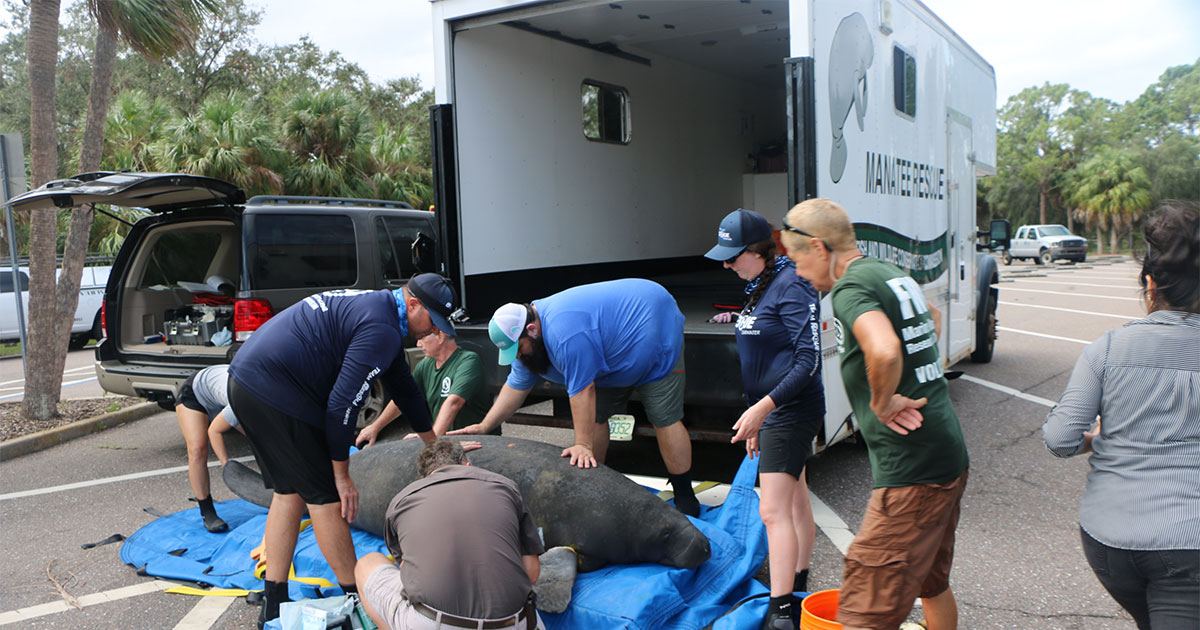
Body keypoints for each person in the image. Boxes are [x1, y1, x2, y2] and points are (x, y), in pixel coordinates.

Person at [228, 274, 458, 628]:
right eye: (431, 322)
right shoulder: (381, 328)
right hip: (275, 389)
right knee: (326, 498)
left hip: (247, 380)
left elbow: (406, 391)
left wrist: (438, 449)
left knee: (289, 491)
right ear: (413, 305)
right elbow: (341, 407)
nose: (430, 333)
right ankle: (358, 599)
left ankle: (273, 601)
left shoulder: (383, 313)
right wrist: (341, 475)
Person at [780, 199, 968, 630]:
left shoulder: (849, 289)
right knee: (931, 583)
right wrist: (917, 380)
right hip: (946, 452)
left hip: (913, 471)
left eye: (797, 258)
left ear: (819, 247)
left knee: (866, 606)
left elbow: (884, 349)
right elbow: (932, 318)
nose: (798, 271)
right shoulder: (886, 271)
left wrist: (883, 401)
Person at [1043, 201, 1199, 630]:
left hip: (1111, 541)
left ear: (1150, 285)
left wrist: (1095, 439)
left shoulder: (1107, 348)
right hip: (1190, 548)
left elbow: (1060, 438)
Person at [450, 278, 700, 516]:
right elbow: (515, 387)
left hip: (653, 329)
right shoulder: (526, 344)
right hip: (609, 354)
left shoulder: (565, 332)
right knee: (596, 419)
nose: (518, 356)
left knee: (663, 418)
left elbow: (582, 391)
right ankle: (595, 485)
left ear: (532, 330)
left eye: (519, 349)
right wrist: (485, 425)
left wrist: (583, 445)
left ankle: (685, 495)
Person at [704, 208, 825, 629]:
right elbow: (767, 344)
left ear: (758, 250)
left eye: (733, 255)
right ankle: (798, 581)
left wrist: (763, 409)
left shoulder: (793, 285)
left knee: (772, 512)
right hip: (772, 410)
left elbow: (808, 361)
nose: (726, 263)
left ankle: (781, 611)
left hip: (791, 411)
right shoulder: (761, 282)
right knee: (793, 501)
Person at [354, 439, 544, 630]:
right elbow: (532, 573)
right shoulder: (506, 486)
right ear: (467, 464)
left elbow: (409, 575)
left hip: (436, 623)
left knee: (365, 565)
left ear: (426, 476)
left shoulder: (401, 501)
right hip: (516, 622)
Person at [355, 327, 495, 447]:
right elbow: (404, 397)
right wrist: (375, 427)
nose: (418, 344)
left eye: (422, 338)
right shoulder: (426, 364)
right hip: (447, 442)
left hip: (478, 442)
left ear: (440, 336)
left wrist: (432, 444)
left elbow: (453, 403)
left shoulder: (468, 361)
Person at [174, 363, 245, 533]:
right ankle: (207, 511)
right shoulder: (241, 398)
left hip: (220, 394)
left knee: (260, 438)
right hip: (194, 395)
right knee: (197, 450)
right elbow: (214, 431)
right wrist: (227, 466)